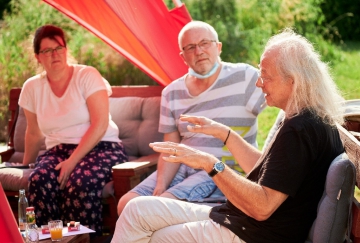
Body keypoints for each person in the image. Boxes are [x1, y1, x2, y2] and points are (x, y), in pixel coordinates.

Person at [111, 28, 345, 243]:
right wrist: (226, 134)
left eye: (266, 76)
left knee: (153, 235)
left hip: (252, 234)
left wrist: (209, 163)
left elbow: (262, 207)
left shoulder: (300, 130)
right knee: (136, 209)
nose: (259, 83)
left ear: (292, 80)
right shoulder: (307, 119)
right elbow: (270, 171)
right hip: (240, 220)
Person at [117, 20, 265, 215]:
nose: (199, 51)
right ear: (183, 56)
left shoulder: (245, 78)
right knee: (126, 204)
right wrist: (160, 186)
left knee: (158, 207)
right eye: (191, 47)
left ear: (218, 47)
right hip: (182, 168)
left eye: (205, 43)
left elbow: (284, 105)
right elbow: (171, 148)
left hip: (220, 169)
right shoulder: (172, 92)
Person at [19, 24, 128, 235]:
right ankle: (47, 239)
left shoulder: (87, 75)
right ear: (38, 57)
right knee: (39, 179)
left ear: (66, 50)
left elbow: (100, 124)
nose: (55, 54)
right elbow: (33, 132)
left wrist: (72, 162)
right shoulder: (32, 88)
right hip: (58, 151)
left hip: (102, 147)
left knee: (79, 183)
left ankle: (83, 240)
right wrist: (26, 166)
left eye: (59, 48)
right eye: (47, 51)